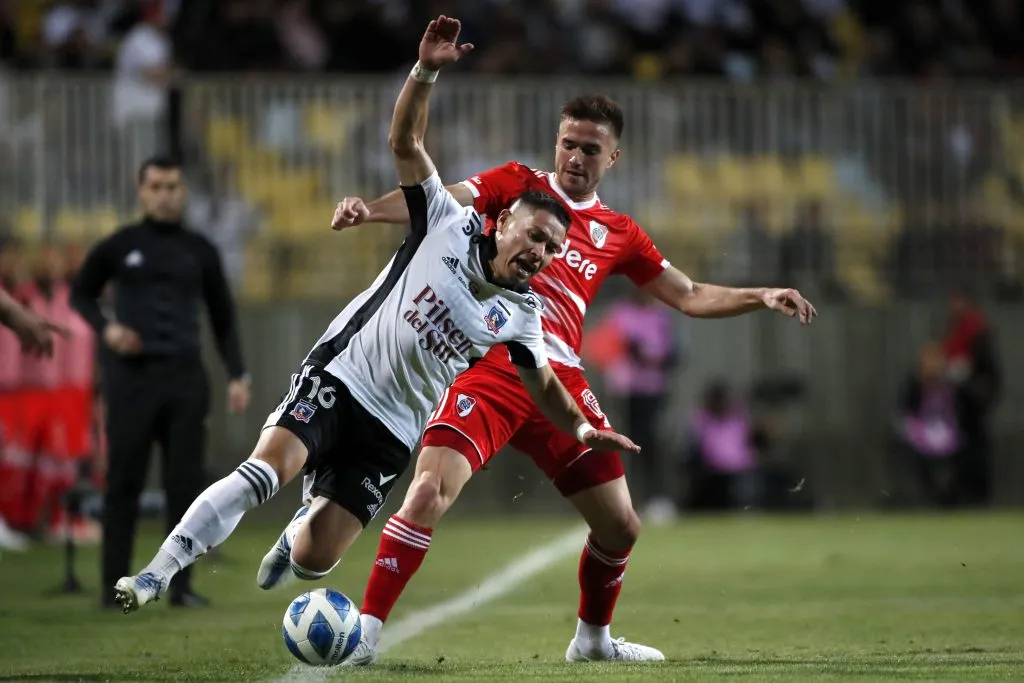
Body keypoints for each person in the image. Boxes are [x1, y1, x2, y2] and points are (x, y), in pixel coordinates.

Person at [111, 15, 638, 616]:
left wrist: (580, 429)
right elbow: (405, 144)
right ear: (503, 221)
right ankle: (157, 573)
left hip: (393, 431)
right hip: (343, 377)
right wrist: (426, 72)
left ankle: (299, 530)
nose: (540, 254)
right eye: (534, 236)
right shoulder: (444, 220)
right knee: (266, 470)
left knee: (315, 558)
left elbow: (543, 385)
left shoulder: (522, 315)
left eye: (551, 249)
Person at [297, 69, 817, 667]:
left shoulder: (619, 232)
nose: (574, 156)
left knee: (621, 526)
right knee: (428, 493)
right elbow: (440, 202)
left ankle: (591, 642)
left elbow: (689, 293)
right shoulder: (516, 184)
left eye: (589, 149)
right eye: (568, 143)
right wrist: (370, 212)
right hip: (487, 363)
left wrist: (761, 294)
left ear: (612, 157)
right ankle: (364, 632)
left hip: (559, 379)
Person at [71, 154, 252, 608]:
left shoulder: (200, 250)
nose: (164, 195)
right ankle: (113, 587)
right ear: (141, 191)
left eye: (172, 187)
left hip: (186, 379)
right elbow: (80, 293)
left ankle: (181, 588)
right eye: (156, 187)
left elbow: (223, 318)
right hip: (131, 381)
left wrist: (237, 373)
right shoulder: (119, 245)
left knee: (186, 486)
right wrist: (107, 328)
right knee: (122, 484)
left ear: (182, 192)